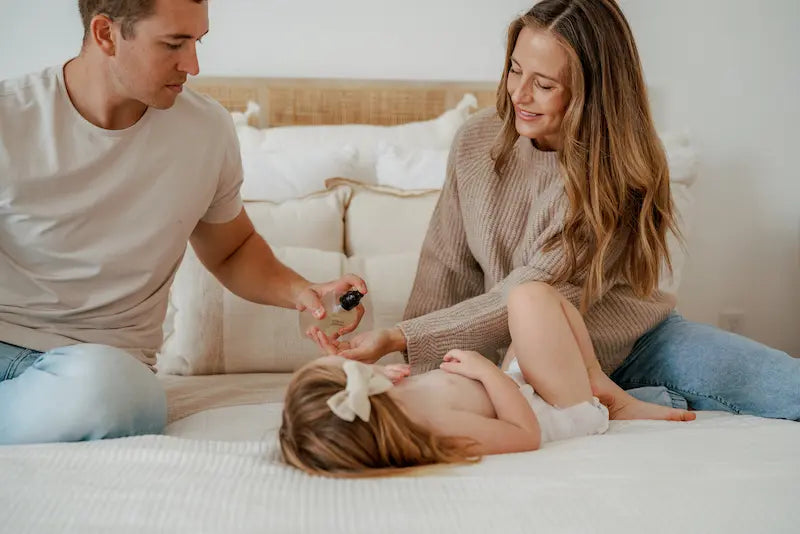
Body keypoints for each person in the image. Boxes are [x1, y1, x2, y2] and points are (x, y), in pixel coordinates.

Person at [313, 0, 799, 420]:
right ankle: (632, 402)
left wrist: (398, 336)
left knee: (789, 390)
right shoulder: (475, 142)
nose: (518, 94)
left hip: (638, 347)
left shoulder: (618, 172)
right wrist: (416, 375)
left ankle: (635, 395)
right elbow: (446, 269)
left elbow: (526, 290)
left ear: (592, 91)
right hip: (532, 364)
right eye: (515, 69)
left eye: (544, 84)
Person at [0, 0, 365, 445]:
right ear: (105, 34)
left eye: (197, 42)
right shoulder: (10, 118)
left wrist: (301, 293)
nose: (192, 65)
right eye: (174, 44)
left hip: (97, 371)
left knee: (115, 395)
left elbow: (231, 249)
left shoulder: (205, 130)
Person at [284, 281, 694, 477]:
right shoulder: (437, 430)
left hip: (521, 387)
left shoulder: (395, 402)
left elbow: (446, 390)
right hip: (556, 412)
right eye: (345, 370)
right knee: (530, 298)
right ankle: (603, 397)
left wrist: (384, 373)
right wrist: (483, 370)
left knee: (534, 308)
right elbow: (523, 434)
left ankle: (595, 381)